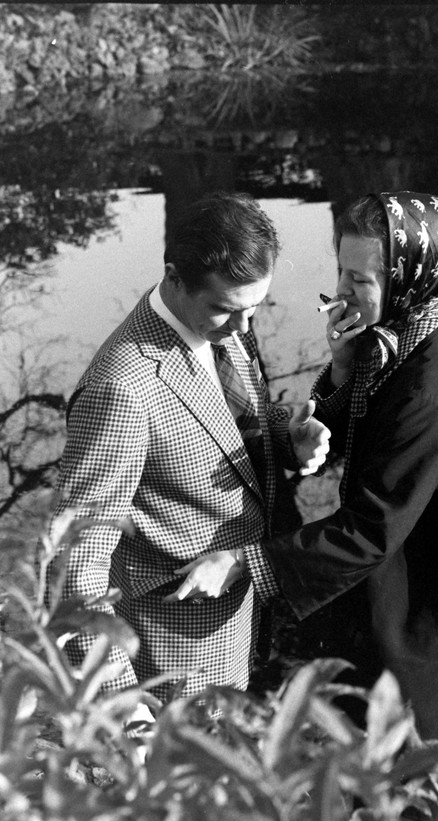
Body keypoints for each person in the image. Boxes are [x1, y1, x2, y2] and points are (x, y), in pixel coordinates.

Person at [174, 190, 438, 743]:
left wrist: (247, 563)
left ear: (413, 277)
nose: (340, 293)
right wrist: (344, 368)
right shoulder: (414, 336)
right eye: (342, 271)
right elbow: (366, 438)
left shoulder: (432, 389)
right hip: (434, 609)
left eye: (362, 281)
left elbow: (370, 530)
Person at [45, 191, 330, 718]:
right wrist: (125, 709)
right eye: (227, 310)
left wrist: (286, 439)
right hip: (166, 665)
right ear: (174, 278)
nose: (244, 329)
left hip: (234, 631)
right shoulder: (123, 388)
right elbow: (72, 563)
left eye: (254, 309)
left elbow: (223, 427)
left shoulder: (219, 328)